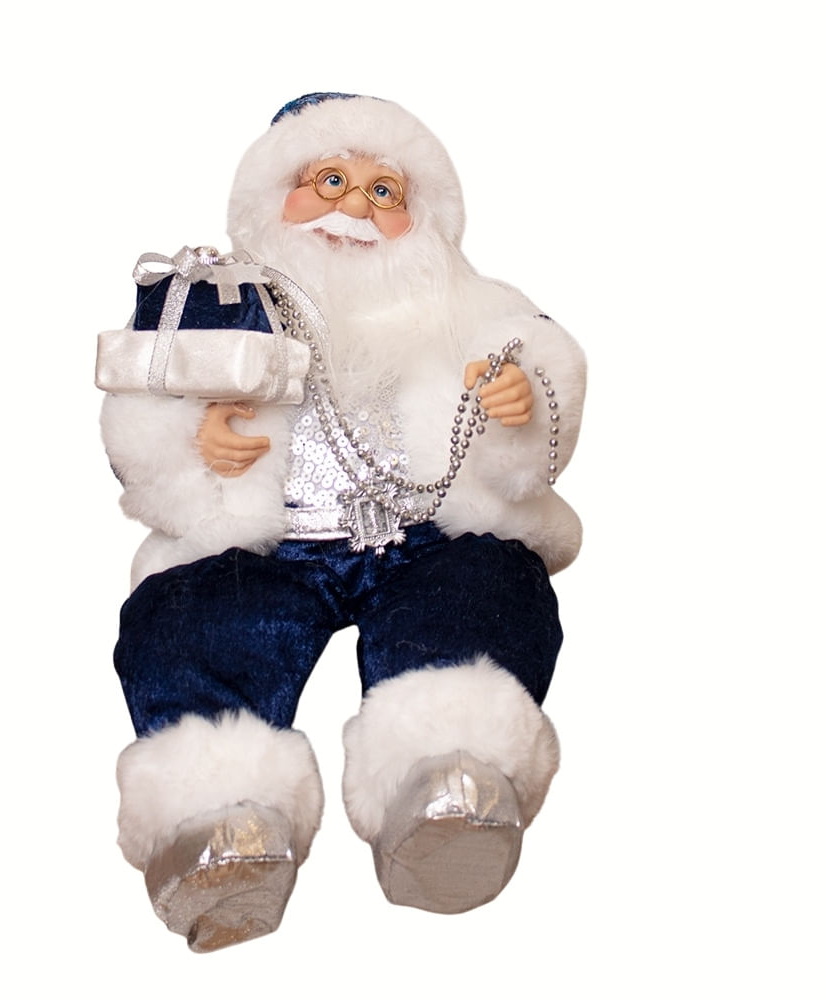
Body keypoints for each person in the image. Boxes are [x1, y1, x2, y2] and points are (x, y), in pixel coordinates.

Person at [100, 93, 586, 952]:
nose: (355, 205)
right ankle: (219, 829)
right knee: (189, 620)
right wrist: (196, 440)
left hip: (422, 534)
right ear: (275, 195)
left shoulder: (467, 303)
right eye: (329, 180)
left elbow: (540, 362)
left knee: (487, 589)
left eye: (384, 190)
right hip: (269, 544)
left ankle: (448, 790)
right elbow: (147, 413)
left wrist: (518, 402)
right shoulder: (223, 301)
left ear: (424, 217)